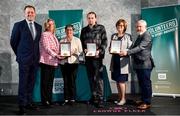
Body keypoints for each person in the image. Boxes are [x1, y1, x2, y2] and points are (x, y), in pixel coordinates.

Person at [10, 5, 42, 114]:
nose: (30, 14)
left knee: (31, 82)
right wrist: (20, 54)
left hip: (34, 60)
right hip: (24, 60)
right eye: (28, 12)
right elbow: (13, 42)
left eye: (32, 12)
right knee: (23, 83)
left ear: (35, 13)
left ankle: (29, 102)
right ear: (25, 13)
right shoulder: (18, 25)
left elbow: (36, 44)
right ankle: (22, 105)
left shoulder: (38, 27)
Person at [120, 20, 155, 110]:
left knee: (146, 83)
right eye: (137, 26)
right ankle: (143, 99)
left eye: (140, 26)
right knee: (142, 83)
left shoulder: (146, 35)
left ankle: (147, 102)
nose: (138, 28)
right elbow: (133, 47)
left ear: (145, 27)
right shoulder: (140, 36)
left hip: (145, 64)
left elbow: (140, 47)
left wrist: (127, 52)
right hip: (139, 64)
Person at [80, 11, 108, 108]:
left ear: (95, 19)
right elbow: (82, 43)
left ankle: (100, 98)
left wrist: (99, 51)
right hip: (88, 58)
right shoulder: (84, 30)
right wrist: (84, 49)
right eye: (89, 18)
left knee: (98, 78)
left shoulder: (101, 28)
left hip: (97, 57)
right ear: (87, 19)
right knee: (91, 78)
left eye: (92, 18)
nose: (91, 19)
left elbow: (105, 42)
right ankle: (94, 96)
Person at [39, 19, 62, 107]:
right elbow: (46, 48)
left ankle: (49, 100)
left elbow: (56, 48)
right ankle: (45, 101)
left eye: (52, 24)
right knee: (45, 82)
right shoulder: (44, 34)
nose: (51, 26)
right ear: (46, 26)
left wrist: (60, 54)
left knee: (50, 82)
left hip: (52, 62)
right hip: (46, 61)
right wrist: (56, 55)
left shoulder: (53, 35)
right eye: (49, 24)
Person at [109, 19, 132, 105]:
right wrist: (110, 49)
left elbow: (131, 48)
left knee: (121, 81)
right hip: (115, 61)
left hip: (123, 61)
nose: (119, 27)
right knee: (117, 80)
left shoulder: (128, 36)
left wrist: (125, 52)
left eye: (121, 26)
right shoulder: (113, 36)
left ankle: (123, 99)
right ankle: (119, 98)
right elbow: (111, 46)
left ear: (124, 27)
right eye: (118, 25)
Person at [60, 24, 83, 105]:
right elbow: (60, 51)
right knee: (65, 81)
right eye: (67, 30)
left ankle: (72, 99)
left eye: (70, 30)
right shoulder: (62, 40)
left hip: (73, 63)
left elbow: (80, 51)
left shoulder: (77, 40)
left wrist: (74, 52)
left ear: (73, 31)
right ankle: (66, 99)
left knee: (72, 81)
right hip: (64, 63)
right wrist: (62, 55)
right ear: (65, 31)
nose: (69, 31)